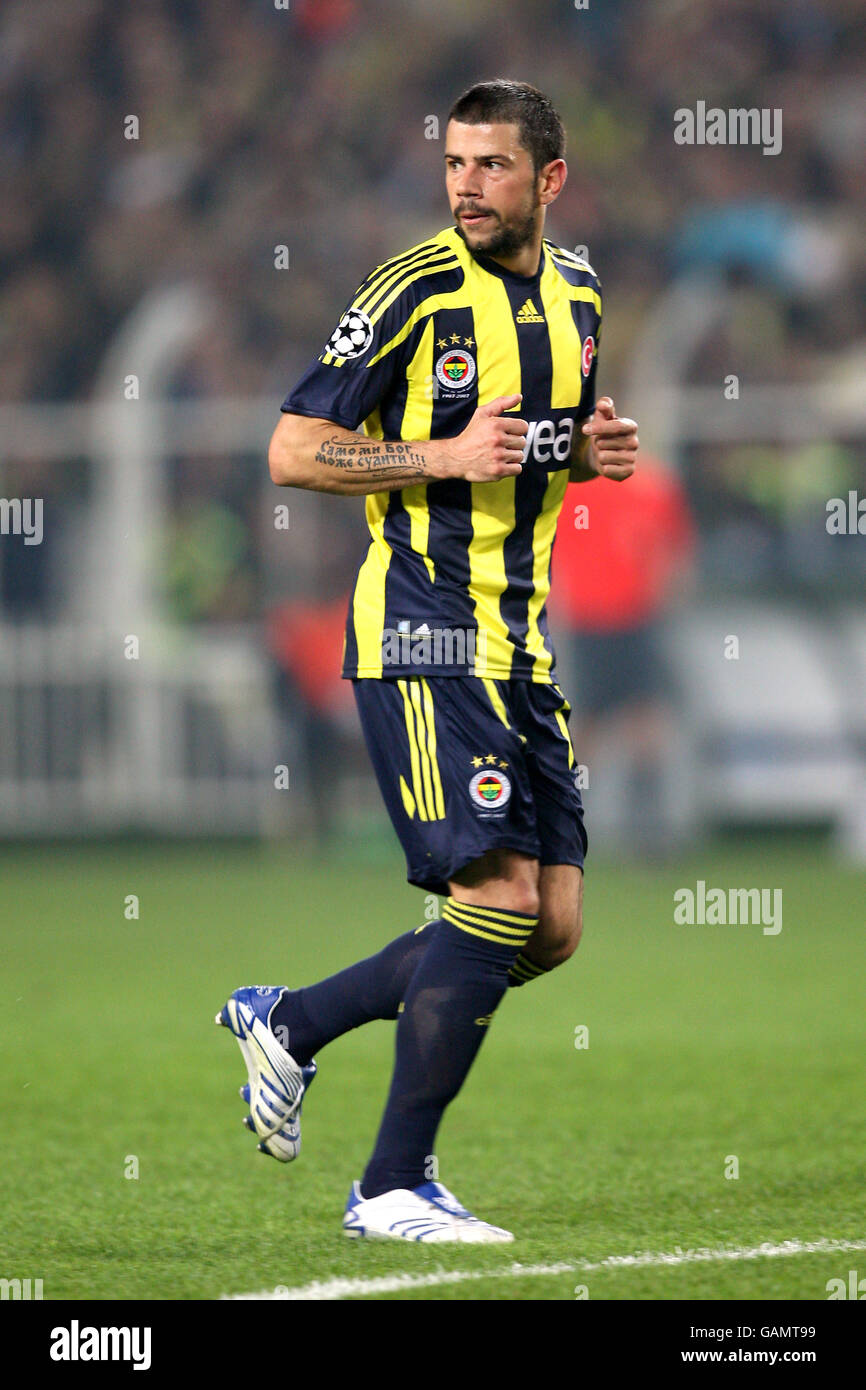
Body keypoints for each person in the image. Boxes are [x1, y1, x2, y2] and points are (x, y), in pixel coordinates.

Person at [216, 79, 639, 1242]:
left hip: (518, 637)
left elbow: (535, 445)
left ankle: (291, 1023)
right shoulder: (411, 289)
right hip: (422, 632)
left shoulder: (580, 293)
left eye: (492, 164)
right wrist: (436, 451)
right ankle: (392, 1182)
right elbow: (293, 451)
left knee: (546, 926)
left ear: (548, 179)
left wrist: (591, 447)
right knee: (492, 897)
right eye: (454, 161)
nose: (465, 183)